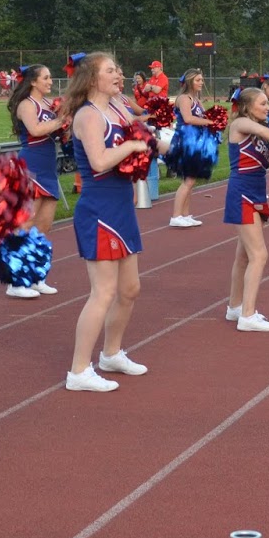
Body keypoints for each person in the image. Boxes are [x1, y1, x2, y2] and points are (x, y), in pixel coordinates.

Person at [62, 52, 154, 392]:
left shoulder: (117, 107)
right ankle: (78, 371)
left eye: (118, 68)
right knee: (103, 292)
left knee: (130, 289)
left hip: (121, 205)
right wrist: (132, 144)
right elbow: (99, 162)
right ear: (90, 79)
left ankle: (111, 353)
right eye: (110, 70)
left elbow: (139, 134)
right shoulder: (88, 115)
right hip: (99, 208)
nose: (119, 74)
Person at [223, 87, 269, 331]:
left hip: (257, 192)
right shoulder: (240, 124)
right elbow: (262, 130)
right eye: (262, 103)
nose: (268, 107)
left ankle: (235, 307)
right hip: (242, 193)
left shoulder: (258, 134)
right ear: (247, 107)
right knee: (259, 255)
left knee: (244, 255)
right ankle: (247, 316)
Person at [8, 64, 66, 299]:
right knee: (25, 224)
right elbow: (36, 129)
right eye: (46, 77)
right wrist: (62, 119)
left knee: (43, 226)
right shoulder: (26, 105)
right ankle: (15, 280)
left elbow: (55, 132)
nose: (50, 81)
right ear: (33, 81)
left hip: (48, 166)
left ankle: (36, 275)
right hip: (31, 165)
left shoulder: (47, 104)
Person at [168, 69, 213, 228]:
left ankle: (185, 214)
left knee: (190, 180)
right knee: (189, 180)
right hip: (185, 140)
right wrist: (209, 123)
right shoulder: (184, 98)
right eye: (198, 80)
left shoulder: (196, 99)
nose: (201, 82)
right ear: (189, 82)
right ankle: (175, 216)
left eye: (202, 79)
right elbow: (188, 118)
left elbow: (203, 117)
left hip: (195, 141)